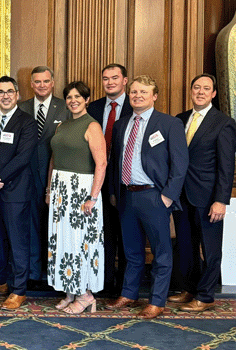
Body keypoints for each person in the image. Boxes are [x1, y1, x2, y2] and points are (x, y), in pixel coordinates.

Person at [106, 75, 188, 319]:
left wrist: (167, 197)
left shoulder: (169, 123)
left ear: (154, 96)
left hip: (154, 196)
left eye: (143, 92)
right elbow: (114, 162)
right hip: (127, 196)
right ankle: (129, 294)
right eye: (133, 92)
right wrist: (114, 192)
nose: (137, 96)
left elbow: (180, 164)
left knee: (162, 252)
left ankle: (156, 301)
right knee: (131, 251)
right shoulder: (121, 125)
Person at [169, 74, 236, 312]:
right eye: (196, 87)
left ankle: (206, 296)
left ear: (213, 93)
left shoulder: (223, 123)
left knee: (210, 247)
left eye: (206, 88)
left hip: (208, 198)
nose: (200, 91)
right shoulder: (180, 119)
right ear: (190, 91)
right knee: (186, 245)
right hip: (181, 195)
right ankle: (190, 289)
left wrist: (221, 200)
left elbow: (226, 166)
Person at [45, 81, 106, 314]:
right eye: (69, 97)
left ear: (87, 99)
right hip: (61, 191)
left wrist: (93, 197)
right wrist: (50, 189)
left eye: (78, 97)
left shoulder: (92, 126)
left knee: (79, 243)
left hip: (82, 192)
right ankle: (70, 291)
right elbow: (53, 159)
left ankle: (85, 295)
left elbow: (101, 163)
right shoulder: (62, 126)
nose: (73, 100)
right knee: (63, 241)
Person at [0, 76, 38, 310]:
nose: (5, 95)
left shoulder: (27, 122)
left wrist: (0, 180)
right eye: (0, 92)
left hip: (15, 191)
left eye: (9, 91)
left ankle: (19, 290)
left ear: (17, 94)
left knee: (18, 241)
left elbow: (23, 157)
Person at [18, 66, 69, 286]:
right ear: (31, 84)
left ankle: (54, 274)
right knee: (30, 225)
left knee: (55, 226)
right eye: (37, 82)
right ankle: (33, 274)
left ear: (53, 82)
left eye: (45, 81)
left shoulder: (66, 107)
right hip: (26, 176)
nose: (41, 85)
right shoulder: (21, 108)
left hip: (56, 176)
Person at [87, 63, 132, 295]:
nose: (110, 82)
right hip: (97, 182)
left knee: (126, 237)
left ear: (125, 80)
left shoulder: (134, 107)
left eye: (115, 78)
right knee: (101, 235)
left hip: (126, 182)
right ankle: (102, 284)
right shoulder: (93, 108)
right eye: (105, 78)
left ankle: (125, 288)